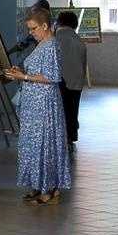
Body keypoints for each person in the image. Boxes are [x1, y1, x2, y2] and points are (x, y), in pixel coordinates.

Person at [3, 7, 72, 204]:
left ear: (44, 26)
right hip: (35, 102)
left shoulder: (50, 45)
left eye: (33, 29)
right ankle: (39, 184)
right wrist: (21, 72)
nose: (30, 33)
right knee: (35, 143)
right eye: (29, 29)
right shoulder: (42, 43)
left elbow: (52, 77)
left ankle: (48, 188)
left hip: (44, 103)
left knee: (45, 143)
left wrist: (23, 76)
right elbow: (39, 70)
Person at [53, 10, 87, 146]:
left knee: (60, 111)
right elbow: (83, 64)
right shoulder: (79, 41)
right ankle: (70, 139)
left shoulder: (55, 38)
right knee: (72, 110)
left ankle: (61, 139)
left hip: (60, 81)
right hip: (76, 81)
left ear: (59, 22)